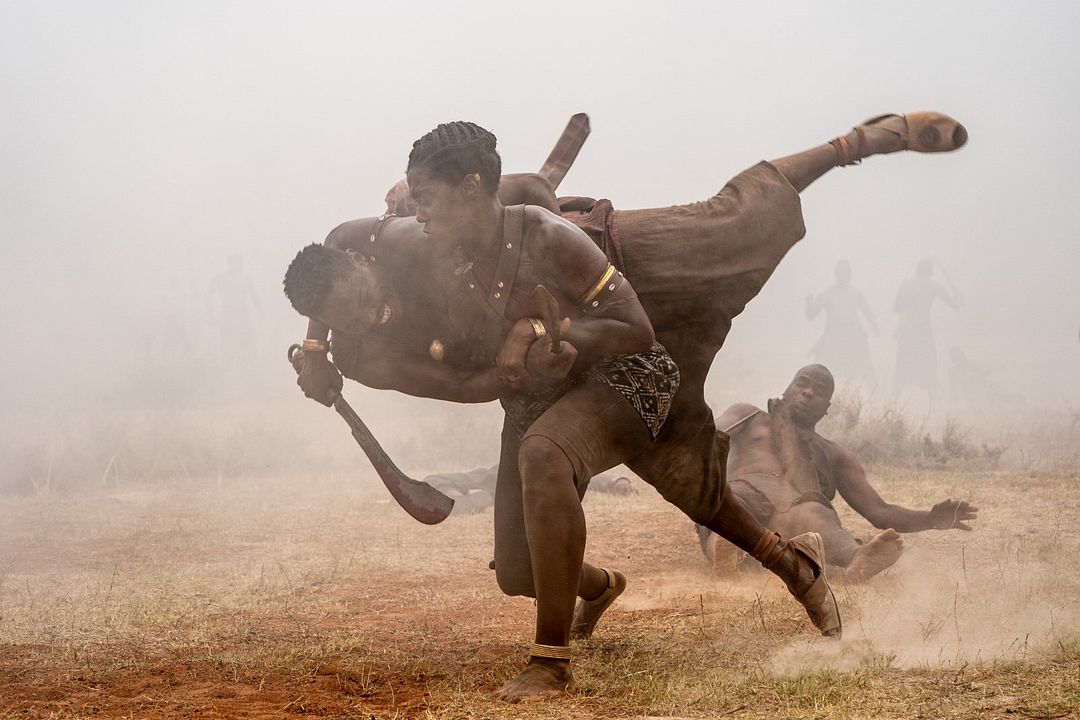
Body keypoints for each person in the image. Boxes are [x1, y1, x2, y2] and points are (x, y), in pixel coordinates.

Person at [284, 111, 967, 700]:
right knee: (554, 552)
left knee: (729, 225)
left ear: (468, 190)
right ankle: (734, 571)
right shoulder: (412, 268)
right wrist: (320, 346)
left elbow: (628, 322)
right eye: (414, 201)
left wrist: (551, 331)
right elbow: (448, 364)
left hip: (625, 351)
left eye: (428, 199)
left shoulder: (526, 232)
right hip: (544, 383)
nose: (419, 213)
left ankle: (551, 661)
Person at [697, 364, 979, 581]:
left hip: (793, 517)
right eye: (802, 384)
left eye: (819, 390)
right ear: (787, 388)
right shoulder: (749, 415)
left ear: (826, 408)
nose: (808, 392)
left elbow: (879, 511)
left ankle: (858, 556)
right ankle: (724, 548)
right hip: (744, 492)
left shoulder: (833, 453)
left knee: (817, 514)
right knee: (728, 506)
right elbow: (705, 436)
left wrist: (930, 519)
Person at [893, 258, 962, 403]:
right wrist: (958, 297)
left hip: (905, 331)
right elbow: (955, 305)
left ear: (917, 270)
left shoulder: (905, 285)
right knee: (929, 363)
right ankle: (935, 401)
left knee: (902, 364)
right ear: (930, 272)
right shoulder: (933, 286)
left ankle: (894, 399)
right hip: (923, 331)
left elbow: (897, 308)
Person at [805, 260, 878, 388]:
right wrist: (809, 302)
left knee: (865, 367)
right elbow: (811, 315)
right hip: (833, 337)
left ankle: (874, 395)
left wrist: (875, 325)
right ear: (836, 274)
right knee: (820, 369)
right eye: (841, 273)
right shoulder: (827, 294)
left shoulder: (855, 293)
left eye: (846, 273)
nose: (844, 276)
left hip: (854, 336)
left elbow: (867, 311)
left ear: (849, 275)